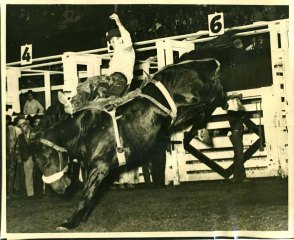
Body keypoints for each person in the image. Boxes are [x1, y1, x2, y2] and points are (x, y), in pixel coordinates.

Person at [58, 13, 136, 114]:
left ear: (120, 39)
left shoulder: (127, 50)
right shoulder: (114, 58)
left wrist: (118, 23)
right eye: (111, 41)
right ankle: (75, 105)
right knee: (93, 95)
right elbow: (108, 74)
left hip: (120, 81)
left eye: (113, 40)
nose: (111, 43)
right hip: (113, 84)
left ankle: (73, 98)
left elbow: (128, 39)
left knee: (93, 80)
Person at [15, 115, 38, 197]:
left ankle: (40, 192)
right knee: (28, 176)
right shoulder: (20, 137)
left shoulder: (35, 134)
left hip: (36, 157)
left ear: (27, 125)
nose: (21, 128)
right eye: (20, 127)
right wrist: (19, 159)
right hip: (26, 159)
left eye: (22, 126)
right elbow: (17, 148)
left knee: (38, 175)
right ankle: (30, 193)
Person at [226, 92, 247, 183]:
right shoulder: (231, 111)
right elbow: (239, 114)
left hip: (238, 134)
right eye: (236, 99)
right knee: (240, 156)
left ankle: (236, 177)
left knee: (237, 156)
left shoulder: (235, 110)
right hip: (235, 134)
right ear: (232, 100)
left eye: (238, 99)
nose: (238, 100)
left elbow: (241, 114)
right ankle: (241, 177)